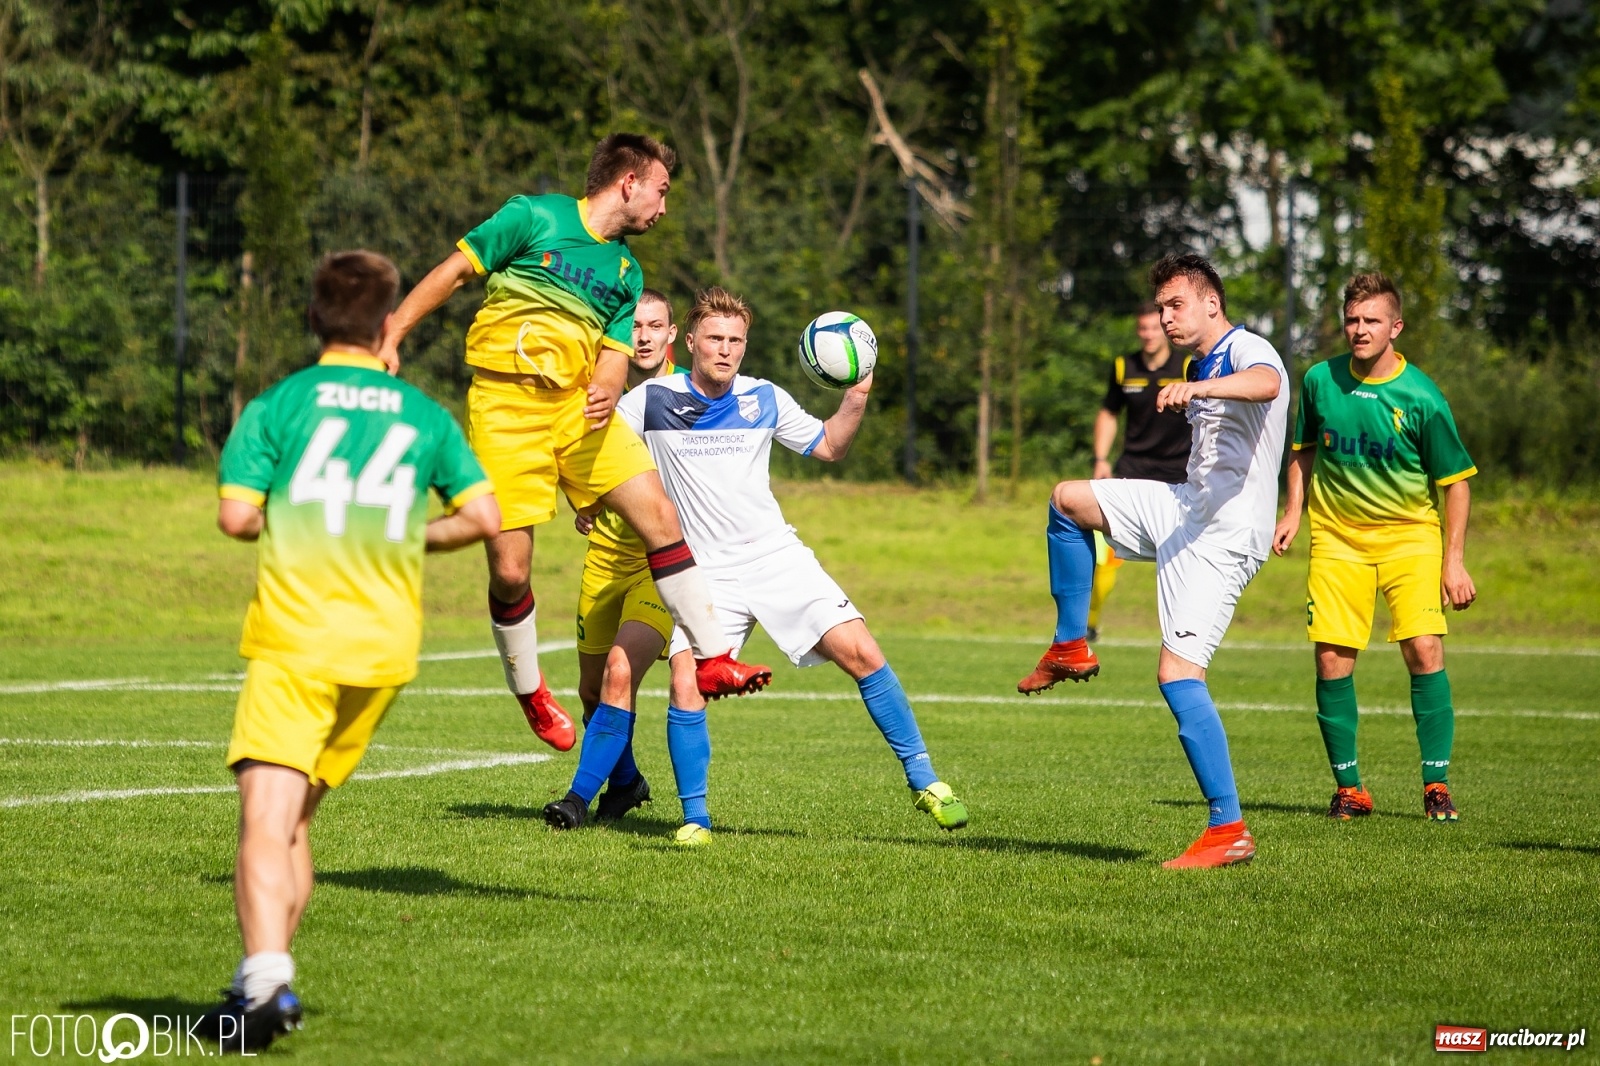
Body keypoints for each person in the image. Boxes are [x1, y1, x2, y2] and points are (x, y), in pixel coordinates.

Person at [376, 134, 770, 754]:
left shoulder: (625, 272)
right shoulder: (533, 217)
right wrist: (394, 330)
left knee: (661, 517)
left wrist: (609, 389)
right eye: (661, 192)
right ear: (629, 182)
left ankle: (714, 655)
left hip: (578, 415)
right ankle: (532, 691)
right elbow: (454, 272)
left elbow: (615, 356)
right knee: (510, 572)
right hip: (506, 409)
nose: (664, 209)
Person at [201, 251, 502, 1051]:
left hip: (298, 639)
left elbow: (236, 519)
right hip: (385, 648)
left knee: (265, 819)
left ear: (313, 319)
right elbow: (483, 518)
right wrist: (403, 531)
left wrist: (305, 524)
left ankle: (266, 982)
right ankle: (256, 984)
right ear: (384, 324)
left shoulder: (279, 404)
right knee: (293, 820)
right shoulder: (423, 416)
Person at [548, 286, 970, 844]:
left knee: (863, 652)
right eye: (716, 339)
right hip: (701, 574)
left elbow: (828, 447)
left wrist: (858, 395)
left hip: (776, 557)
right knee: (684, 683)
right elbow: (591, 446)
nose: (725, 350)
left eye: (736, 341)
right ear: (691, 341)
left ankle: (925, 781)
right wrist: (589, 499)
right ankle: (695, 819)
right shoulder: (649, 400)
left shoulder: (764, 397)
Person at [1018, 253, 1288, 869]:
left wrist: (1197, 387)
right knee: (1068, 501)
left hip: (1224, 536)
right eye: (1160, 307)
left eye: (1175, 304)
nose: (1165, 317)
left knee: (1177, 677)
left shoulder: (1250, 348)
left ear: (1210, 303)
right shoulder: (1198, 361)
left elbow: (1268, 385)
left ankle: (1229, 830)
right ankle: (1069, 644)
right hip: (1185, 506)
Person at [1273, 272, 1477, 823]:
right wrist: (1293, 511)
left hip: (1410, 537)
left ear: (1396, 326)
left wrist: (1452, 561)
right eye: (1352, 320)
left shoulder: (1422, 397)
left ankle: (1436, 783)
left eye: (1371, 321)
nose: (1359, 330)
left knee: (1424, 649)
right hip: (1338, 538)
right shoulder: (1320, 380)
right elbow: (1303, 449)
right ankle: (1350, 790)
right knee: (1333, 658)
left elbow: (1455, 481)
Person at [552, 290, 692, 827]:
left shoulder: (691, 391)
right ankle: (628, 781)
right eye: (633, 326)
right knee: (592, 691)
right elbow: (568, 450)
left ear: (672, 334)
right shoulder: (599, 391)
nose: (643, 336)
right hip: (604, 558)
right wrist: (582, 501)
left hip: (663, 563)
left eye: (654, 326)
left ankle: (577, 800)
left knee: (618, 672)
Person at [1087, 303, 1193, 639]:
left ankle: (1185, 630)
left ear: (1165, 328)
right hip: (1131, 473)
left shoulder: (1188, 366)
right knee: (1104, 555)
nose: (1148, 334)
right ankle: (1088, 625)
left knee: (1181, 557)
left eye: (1154, 328)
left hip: (1179, 476)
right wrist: (1101, 459)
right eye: (1142, 329)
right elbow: (1108, 412)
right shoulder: (1123, 367)